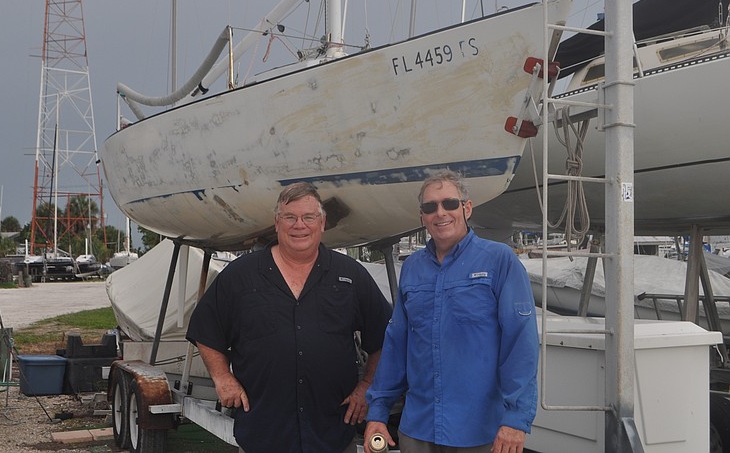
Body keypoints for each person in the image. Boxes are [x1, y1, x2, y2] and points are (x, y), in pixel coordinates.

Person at [187, 182, 393, 453]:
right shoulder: (240, 276)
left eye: (309, 217)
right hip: (264, 433)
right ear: (276, 223)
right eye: (290, 217)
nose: (300, 225)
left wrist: (368, 385)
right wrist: (222, 377)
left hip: (331, 433)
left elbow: (384, 337)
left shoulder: (350, 276)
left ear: (322, 223)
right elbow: (206, 329)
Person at [364, 171, 539, 453]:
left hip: (480, 431)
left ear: (466, 208)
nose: (440, 213)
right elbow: (397, 343)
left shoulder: (499, 260)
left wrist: (516, 419)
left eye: (450, 204)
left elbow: (521, 343)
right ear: (422, 216)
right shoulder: (412, 268)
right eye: (430, 207)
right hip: (419, 428)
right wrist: (377, 412)